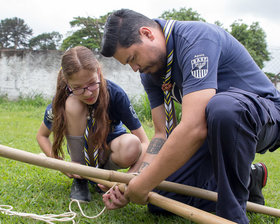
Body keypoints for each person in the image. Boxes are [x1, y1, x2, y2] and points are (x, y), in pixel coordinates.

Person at [100, 9, 279, 224]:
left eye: (133, 58)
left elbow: (194, 128)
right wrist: (137, 180)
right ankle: (250, 178)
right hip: (216, 127)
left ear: (147, 34)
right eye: (128, 64)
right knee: (160, 199)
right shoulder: (151, 72)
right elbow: (160, 135)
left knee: (223, 108)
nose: (135, 68)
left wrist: (142, 184)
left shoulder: (196, 40)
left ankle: (231, 215)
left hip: (263, 117)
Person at [36, 45, 149, 203]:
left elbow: (144, 141)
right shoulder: (63, 99)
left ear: (99, 72)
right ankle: (80, 178)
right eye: (77, 88)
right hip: (82, 152)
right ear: (68, 84)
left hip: (108, 150)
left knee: (132, 144)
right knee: (73, 104)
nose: (88, 93)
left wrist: (129, 177)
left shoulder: (115, 93)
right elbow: (41, 136)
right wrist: (60, 165)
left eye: (91, 83)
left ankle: (101, 179)